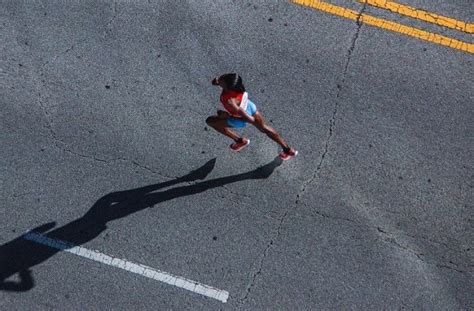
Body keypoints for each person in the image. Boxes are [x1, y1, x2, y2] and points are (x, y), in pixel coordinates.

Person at [206, 73, 298, 160]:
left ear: (228, 87)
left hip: (240, 118)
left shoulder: (232, 101)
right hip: (250, 107)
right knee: (265, 128)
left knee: (210, 122)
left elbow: (250, 119)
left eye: (222, 80)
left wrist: (228, 115)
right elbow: (220, 82)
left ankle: (240, 141)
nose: (219, 79)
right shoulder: (237, 86)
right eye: (222, 77)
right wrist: (218, 82)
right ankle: (288, 150)